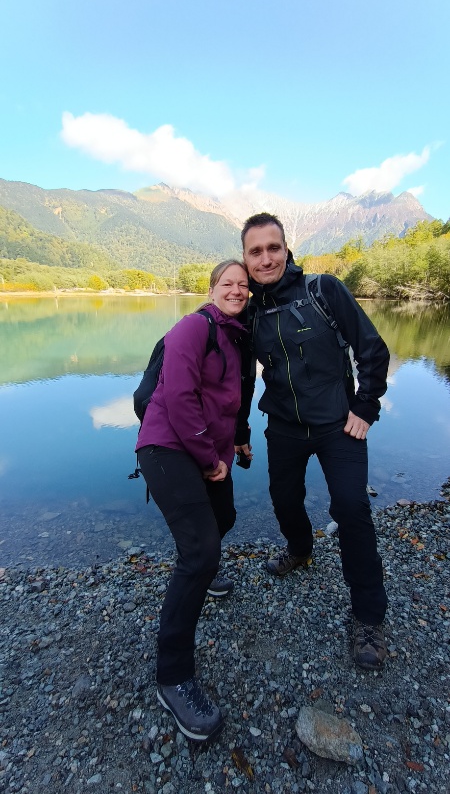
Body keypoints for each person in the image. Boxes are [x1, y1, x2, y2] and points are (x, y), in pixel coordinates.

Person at [235, 213, 390, 670]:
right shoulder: (249, 313)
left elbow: (372, 349)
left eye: (273, 248)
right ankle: (301, 549)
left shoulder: (323, 290)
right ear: (245, 258)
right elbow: (243, 379)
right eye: (256, 251)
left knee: (351, 508)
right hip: (283, 426)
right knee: (284, 500)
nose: (266, 258)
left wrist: (365, 407)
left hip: (337, 424)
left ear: (287, 250)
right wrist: (240, 431)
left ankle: (368, 618)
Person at [136, 260, 250, 742]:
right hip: (166, 447)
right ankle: (173, 677)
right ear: (211, 288)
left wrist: (235, 444)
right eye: (228, 283)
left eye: (243, 285)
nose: (237, 290)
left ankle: (200, 567)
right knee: (201, 551)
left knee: (223, 517)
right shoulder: (192, 327)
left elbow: (229, 403)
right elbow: (180, 397)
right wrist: (208, 458)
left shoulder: (236, 338)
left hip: (206, 450)